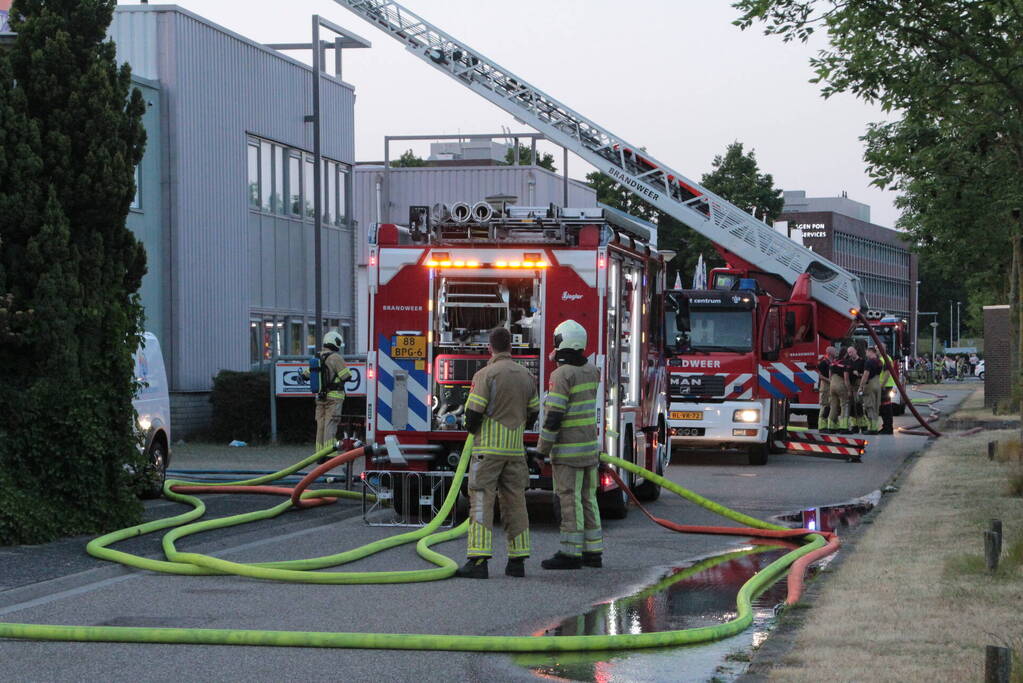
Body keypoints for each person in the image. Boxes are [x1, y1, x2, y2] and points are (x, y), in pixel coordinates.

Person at [455, 327, 540, 579]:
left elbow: (473, 414)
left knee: (481, 499)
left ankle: (478, 561)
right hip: (515, 451)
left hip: (487, 451)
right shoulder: (526, 375)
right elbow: (534, 411)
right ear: (511, 347)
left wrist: (469, 427)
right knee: (516, 502)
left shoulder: (485, 374)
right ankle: (517, 561)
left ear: (490, 348)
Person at [538, 319, 603, 570]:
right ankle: (593, 551)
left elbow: (554, 415)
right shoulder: (591, 369)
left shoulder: (561, 375)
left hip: (567, 451)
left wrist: (541, 450)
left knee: (568, 499)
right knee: (588, 498)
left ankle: (570, 553)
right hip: (589, 448)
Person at [313, 330, 351, 454]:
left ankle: (319, 454)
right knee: (331, 425)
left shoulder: (317, 357)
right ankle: (329, 454)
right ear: (334, 342)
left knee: (321, 426)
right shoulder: (336, 357)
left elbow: (307, 374)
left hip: (320, 397)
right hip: (334, 398)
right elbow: (346, 376)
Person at [859, 347, 883, 434]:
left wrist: (861, 386)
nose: (866, 353)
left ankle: (872, 429)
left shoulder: (869, 362)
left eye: (867, 352)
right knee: (876, 406)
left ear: (870, 352)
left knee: (869, 406)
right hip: (877, 384)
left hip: (870, 385)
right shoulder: (879, 362)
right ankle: (875, 426)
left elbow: (866, 375)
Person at [827, 346, 850, 434]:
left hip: (832, 386)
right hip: (841, 385)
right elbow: (846, 378)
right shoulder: (845, 363)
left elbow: (829, 376)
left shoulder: (832, 363)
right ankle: (844, 427)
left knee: (833, 406)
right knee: (844, 405)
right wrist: (848, 390)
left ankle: (831, 427)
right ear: (845, 354)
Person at [844, 345, 864, 433]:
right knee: (852, 407)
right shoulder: (848, 362)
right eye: (849, 353)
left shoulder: (862, 361)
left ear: (856, 351)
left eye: (851, 352)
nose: (850, 354)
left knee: (859, 405)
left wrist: (858, 374)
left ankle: (863, 426)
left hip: (859, 386)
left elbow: (866, 374)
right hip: (851, 387)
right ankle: (854, 426)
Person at [878, 342, 896, 434]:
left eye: (878, 348)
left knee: (886, 408)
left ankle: (888, 428)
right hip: (884, 385)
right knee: (884, 407)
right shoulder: (882, 358)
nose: (876, 349)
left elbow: (887, 373)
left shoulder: (886, 359)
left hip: (885, 386)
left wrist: (882, 386)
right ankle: (886, 427)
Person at [817, 346, 835, 431]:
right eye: (834, 351)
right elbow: (820, 376)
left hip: (831, 386)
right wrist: (829, 380)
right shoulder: (823, 363)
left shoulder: (833, 362)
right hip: (825, 386)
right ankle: (822, 426)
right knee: (824, 406)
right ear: (830, 353)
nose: (836, 352)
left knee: (830, 406)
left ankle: (828, 425)